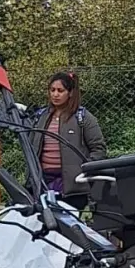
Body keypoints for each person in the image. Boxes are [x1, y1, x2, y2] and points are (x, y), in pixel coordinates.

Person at [30, 71, 106, 211]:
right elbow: (31, 148)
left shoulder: (83, 118)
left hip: (73, 187)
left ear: (70, 93)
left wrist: (84, 169)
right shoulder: (41, 116)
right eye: (52, 90)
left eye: (60, 90)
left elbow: (98, 149)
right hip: (43, 183)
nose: (55, 94)